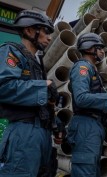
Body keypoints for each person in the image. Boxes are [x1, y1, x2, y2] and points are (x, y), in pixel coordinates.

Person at [0, 10, 61, 176]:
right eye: (46, 31)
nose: (49, 37)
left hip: (41, 133)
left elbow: (42, 104)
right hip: (23, 133)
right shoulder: (11, 52)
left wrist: (56, 126)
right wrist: (43, 87)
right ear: (28, 30)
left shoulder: (36, 63)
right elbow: (3, 86)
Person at [66, 32, 107, 177]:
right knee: (85, 170)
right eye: (99, 47)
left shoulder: (92, 69)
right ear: (89, 48)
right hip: (86, 126)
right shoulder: (82, 67)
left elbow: (93, 97)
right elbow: (81, 98)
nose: (102, 51)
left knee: (92, 170)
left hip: (94, 126)